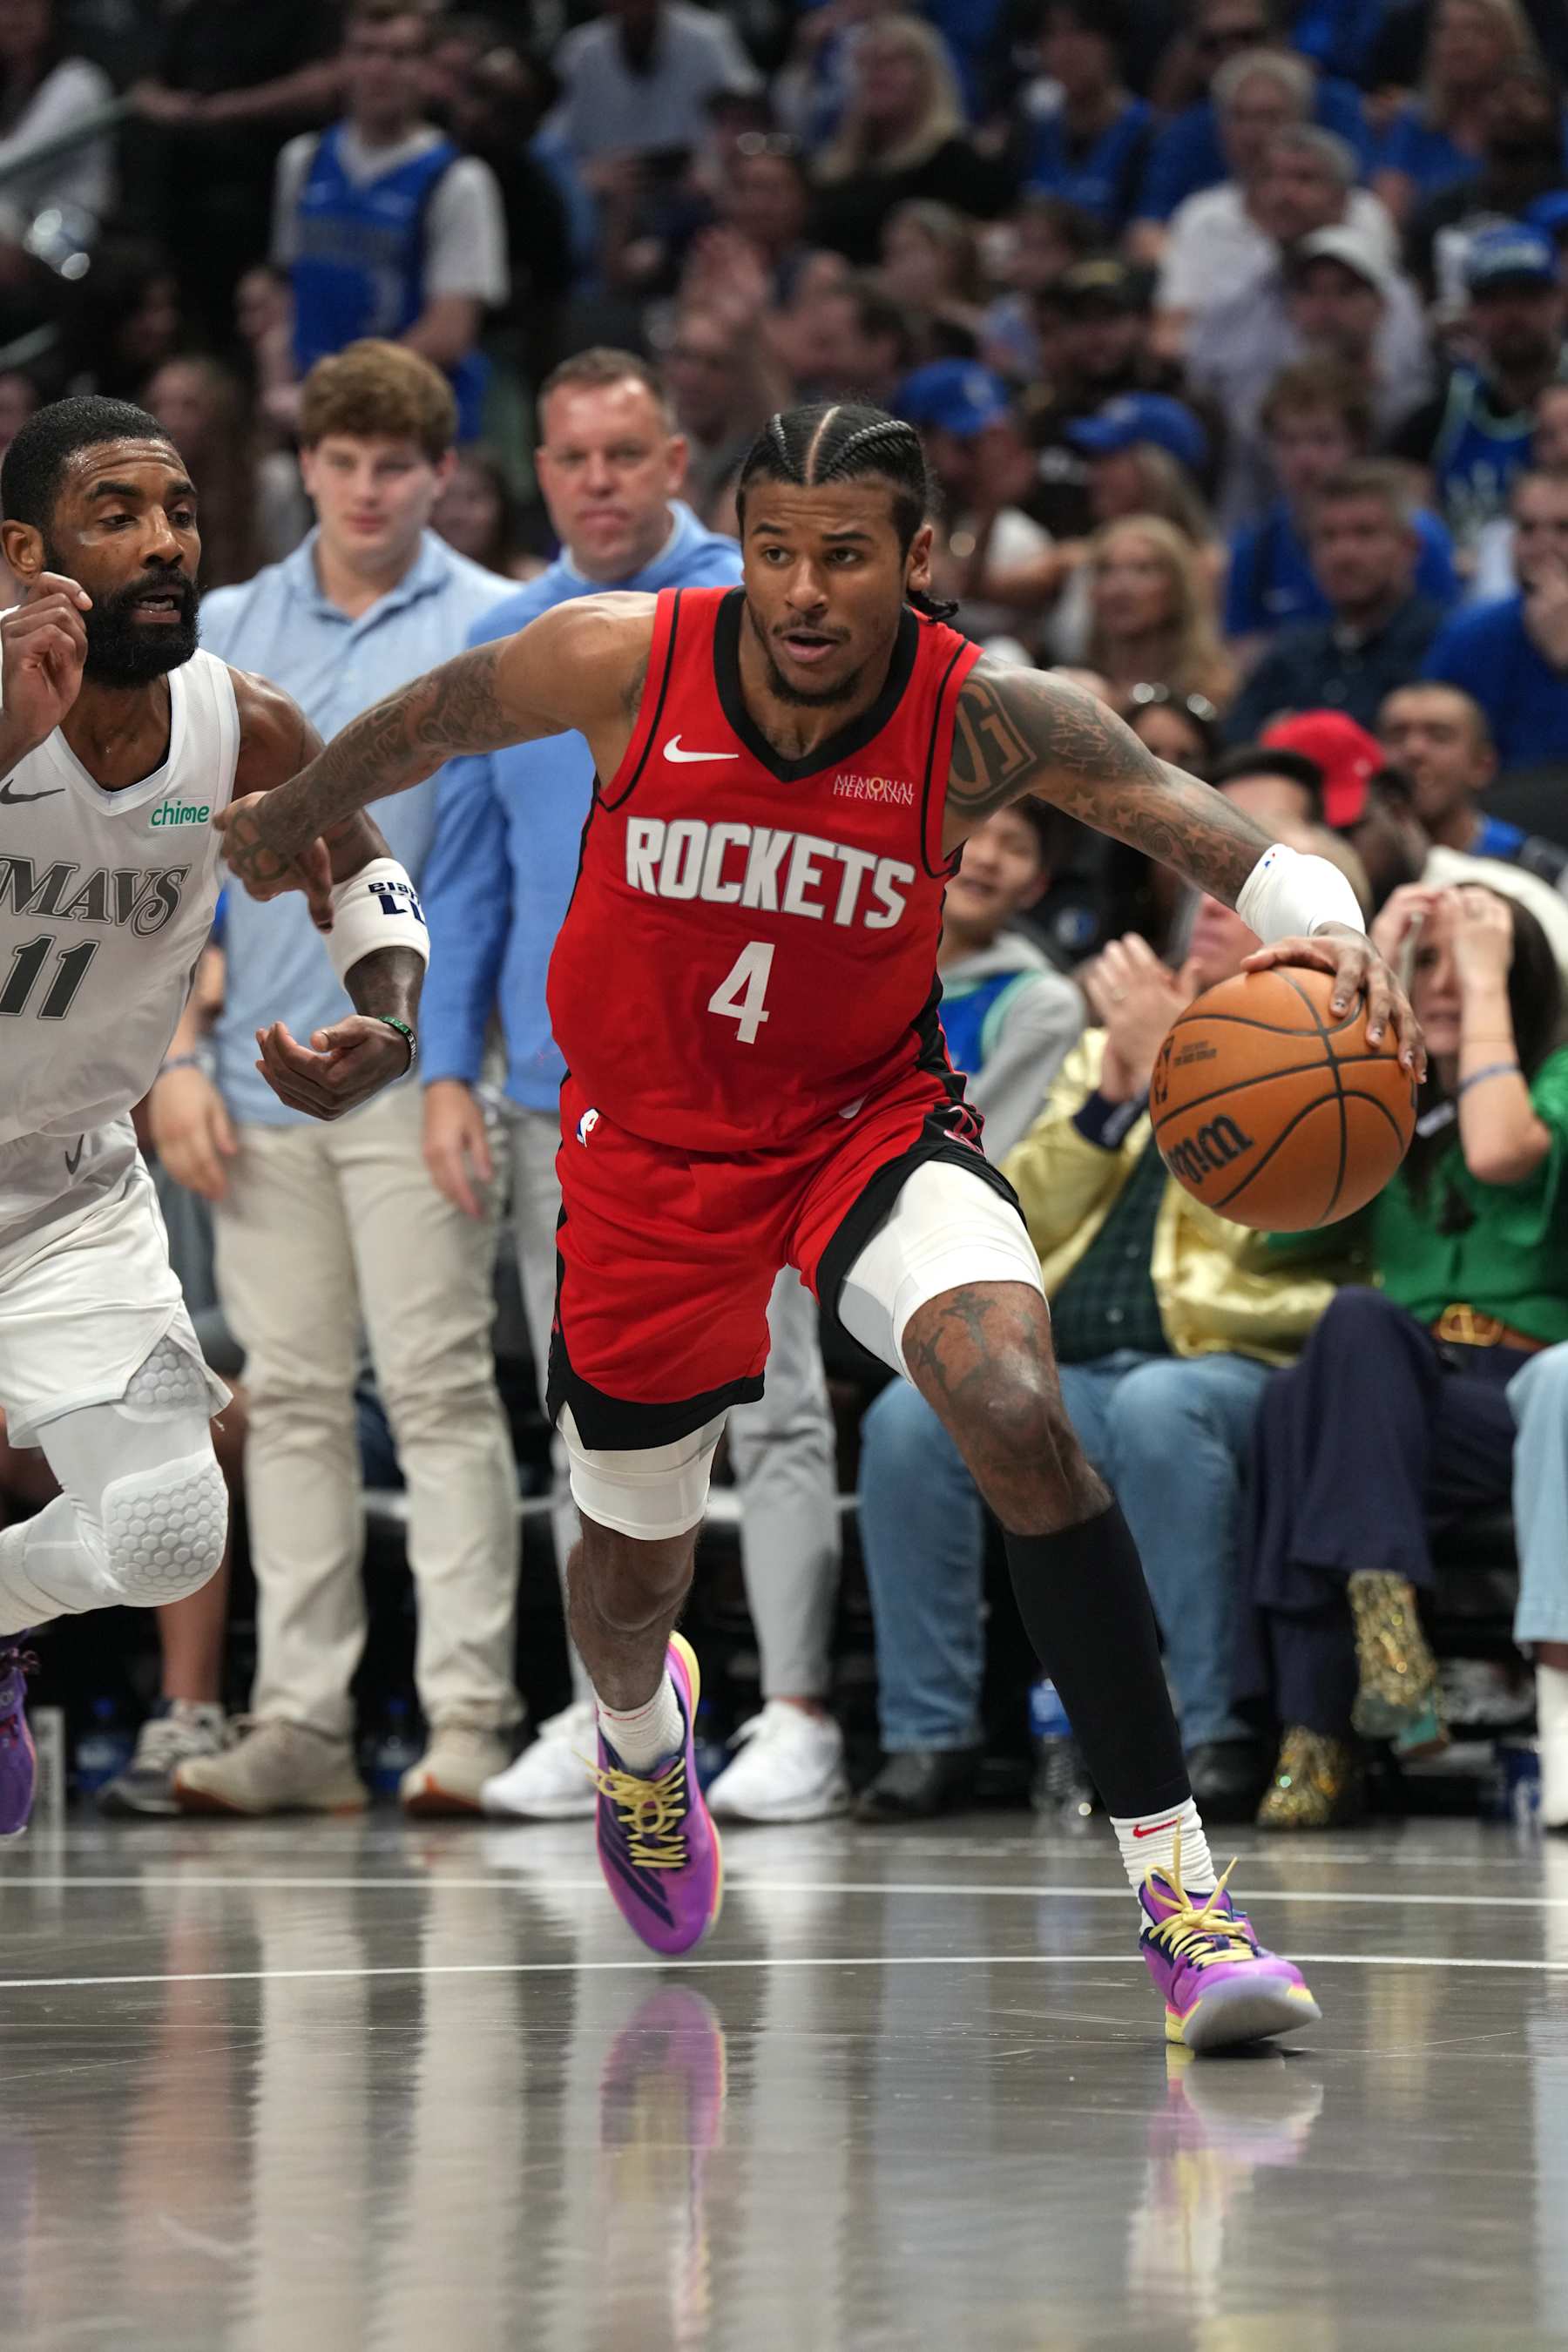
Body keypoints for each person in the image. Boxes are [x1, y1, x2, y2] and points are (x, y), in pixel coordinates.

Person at [220, 395, 1421, 2051]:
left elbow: (1188, 820)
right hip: (643, 1154)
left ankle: (1184, 1896)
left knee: (1014, 1408)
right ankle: (643, 1746)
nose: (800, 588)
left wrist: (1335, 924)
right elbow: (419, 724)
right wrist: (295, 829)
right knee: (627, 1591)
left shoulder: (983, 714)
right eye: (774, 548)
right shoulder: (620, 655)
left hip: (867, 1125)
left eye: (844, 557)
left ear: (917, 563)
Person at [418, 350, 848, 1828]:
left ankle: (796, 1715)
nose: (598, 482)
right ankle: (614, 1715)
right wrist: (443, 1072)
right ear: (540, 473)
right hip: (558, 1093)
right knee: (584, 1427)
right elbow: (465, 883)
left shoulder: (764, 614)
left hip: (758, 1091)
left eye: (624, 454)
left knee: (778, 1407)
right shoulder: (504, 637)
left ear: (677, 461)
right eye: (570, 459)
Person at [0, 390, 426, 1835]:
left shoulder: (238, 720)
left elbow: (363, 865)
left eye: (178, 512)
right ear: (25, 553)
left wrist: (390, 1008)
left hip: (65, 1190)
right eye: (116, 516)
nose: (163, 542)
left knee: (172, 1530)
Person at [158, 342, 523, 1821]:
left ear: (441, 476)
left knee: (439, 1391)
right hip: (250, 1076)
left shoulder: (502, 624)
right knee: (290, 1396)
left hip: (416, 1070)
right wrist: (177, 1052)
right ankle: (302, 1724)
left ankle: (471, 1724)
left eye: (397, 466)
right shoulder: (228, 625)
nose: (368, 489)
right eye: (344, 460)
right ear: (304, 465)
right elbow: (170, 864)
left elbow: (491, 871)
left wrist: (460, 1065)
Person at [1245, 883, 1567, 1826]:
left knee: (1304, 1404)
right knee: (1344, 1342)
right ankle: (1384, 1634)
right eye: (1421, 968)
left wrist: (1483, 976)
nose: (1443, 983)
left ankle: (1320, 1732)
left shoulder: (1552, 1077)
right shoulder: (1381, 1105)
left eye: (1465, 962)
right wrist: (1365, 960)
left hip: (1529, 1402)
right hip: (1399, 1406)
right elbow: (1272, 1219)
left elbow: (1503, 1150)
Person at [271, 1, 510, 443]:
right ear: (343, 62)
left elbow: (449, 332)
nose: (380, 69)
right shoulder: (301, 162)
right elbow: (285, 291)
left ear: (426, 70)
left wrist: (338, 393)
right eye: (365, 51)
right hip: (318, 420)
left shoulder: (459, 181)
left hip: (414, 426)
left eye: (399, 56)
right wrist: (277, 382)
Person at [1225, 359, 1459, 660]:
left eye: (1323, 440)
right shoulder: (1254, 549)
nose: (1305, 459)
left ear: (1358, 444)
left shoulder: (1419, 535)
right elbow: (1242, 656)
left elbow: (1446, 644)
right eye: (1288, 441)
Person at [1225, 463, 1445, 742]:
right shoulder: (1290, 654)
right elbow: (1235, 746)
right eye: (1328, 537)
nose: (1343, 554)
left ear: (1409, 548)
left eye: (1365, 533)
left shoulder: (1444, 646)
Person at [1392, 223, 1568, 552]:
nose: (1512, 313)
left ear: (1560, 300)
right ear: (1471, 311)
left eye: (1527, 296)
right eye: (1494, 300)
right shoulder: (1441, 416)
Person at [808, 16, 1016, 268]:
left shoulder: (958, 163)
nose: (876, 73)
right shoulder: (833, 169)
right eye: (867, 63)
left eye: (891, 61)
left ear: (927, 74)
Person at [1422, 469, 1568, 769]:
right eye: (1527, 528)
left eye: (1564, 528)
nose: (1543, 544)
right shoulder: (1470, 633)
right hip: (1494, 804)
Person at [1372, 0, 1544, 227]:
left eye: (1475, 29)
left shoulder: (1543, 123)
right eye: (1444, 29)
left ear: (1508, 40)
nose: (1459, 44)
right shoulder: (1414, 122)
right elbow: (1387, 217)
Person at [1378, 680, 1568, 888]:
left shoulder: (1542, 871)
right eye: (1397, 736)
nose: (1413, 750)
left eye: (1439, 736)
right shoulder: (1359, 867)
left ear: (1481, 766)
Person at [142, 356, 309, 588]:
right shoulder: (143, 490)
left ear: (219, 413)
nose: (171, 420)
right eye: (159, 406)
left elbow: (291, 579)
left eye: (188, 406)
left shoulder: (270, 483)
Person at [1020, 0, 1153, 236]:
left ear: (1112, 42)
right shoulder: (1029, 133)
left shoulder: (1150, 134)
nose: (1066, 49)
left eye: (1082, 31)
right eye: (1051, 34)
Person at [1081, 514, 1236, 710]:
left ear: (1179, 588)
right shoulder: (1072, 687)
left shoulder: (1215, 689)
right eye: (1106, 570)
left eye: (1143, 569)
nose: (1119, 588)